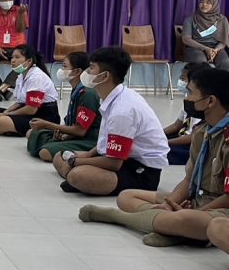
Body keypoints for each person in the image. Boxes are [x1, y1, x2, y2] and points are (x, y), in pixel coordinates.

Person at [79, 68, 229, 247]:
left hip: (219, 209)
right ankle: (174, 229)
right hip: (195, 200)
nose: (187, 98)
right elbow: (189, 179)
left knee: (197, 222)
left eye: (190, 93)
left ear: (210, 101)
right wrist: (170, 204)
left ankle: (119, 218)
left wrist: (198, 212)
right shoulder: (202, 131)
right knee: (127, 196)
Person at [52, 47, 169, 196]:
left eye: (91, 68)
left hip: (140, 169)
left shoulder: (123, 110)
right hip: (120, 158)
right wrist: (86, 156)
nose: (86, 72)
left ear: (104, 76)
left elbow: (114, 163)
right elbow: (106, 141)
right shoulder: (112, 96)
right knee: (60, 155)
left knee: (78, 174)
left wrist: (75, 162)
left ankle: (75, 176)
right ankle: (76, 175)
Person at [26, 51, 102, 161]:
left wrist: (47, 125)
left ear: (77, 71)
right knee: (32, 133)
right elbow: (72, 123)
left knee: (45, 152)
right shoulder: (77, 90)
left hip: (88, 139)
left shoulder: (87, 94)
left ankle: (82, 154)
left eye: (65, 66)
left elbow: (80, 131)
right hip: (75, 135)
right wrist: (65, 133)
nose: (61, 70)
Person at [0, 45, 59, 135]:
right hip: (26, 110)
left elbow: (31, 109)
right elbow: (19, 103)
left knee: (0, 121)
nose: (12, 60)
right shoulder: (21, 76)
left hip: (43, 116)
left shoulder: (37, 77)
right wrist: (7, 111)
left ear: (29, 61)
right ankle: (1, 126)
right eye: (12, 57)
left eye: (17, 57)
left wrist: (7, 114)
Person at [164, 62, 210, 165]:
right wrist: (158, 134)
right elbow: (177, 125)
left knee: (160, 150)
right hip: (182, 134)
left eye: (183, 79)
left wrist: (166, 142)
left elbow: (194, 137)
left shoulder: (202, 104)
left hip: (191, 143)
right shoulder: (189, 98)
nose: (181, 81)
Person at [182, 0, 229, 70]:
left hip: (216, 49)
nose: (204, 4)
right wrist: (205, 49)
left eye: (208, 2)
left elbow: (224, 41)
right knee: (201, 62)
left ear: (214, 5)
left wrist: (215, 50)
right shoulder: (190, 19)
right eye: (201, 2)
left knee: (225, 62)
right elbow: (186, 39)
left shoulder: (222, 20)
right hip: (195, 48)